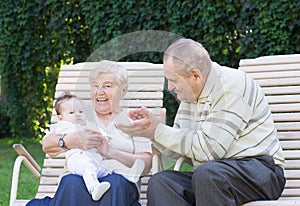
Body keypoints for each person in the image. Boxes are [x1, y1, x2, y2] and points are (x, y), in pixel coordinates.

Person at [117, 38, 286, 206]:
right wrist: (151, 132)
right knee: (161, 183)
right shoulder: (190, 95)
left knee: (208, 174)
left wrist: (159, 131)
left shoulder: (231, 86)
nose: (169, 87)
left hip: (260, 172)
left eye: (173, 80)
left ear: (196, 76)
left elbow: (210, 151)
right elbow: (179, 151)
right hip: (215, 175)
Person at [27, 60, 152, 206]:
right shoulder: (77, 112)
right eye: (95, 86)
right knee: (71, 181)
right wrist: (68, 141)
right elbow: (47, 145)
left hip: (120, 184)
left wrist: (110, 151)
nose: (100, 92)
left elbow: (146, 165)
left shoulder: (134, 120)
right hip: (79, 182)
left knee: (115, 183)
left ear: (123, 90)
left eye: (107, 86)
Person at [53, 91, 145, 201]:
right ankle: (94, 187)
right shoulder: (64, 126)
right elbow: (48, 143)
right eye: (72, 113)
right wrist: (70, 140)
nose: (78, 115)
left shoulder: (89, 124)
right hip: (79, 160)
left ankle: (129, 174)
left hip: (98, 159)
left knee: (111, 165)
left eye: (80, 111)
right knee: (87, 171)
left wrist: (105, 138)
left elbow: (99, 132)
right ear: (60, 118)